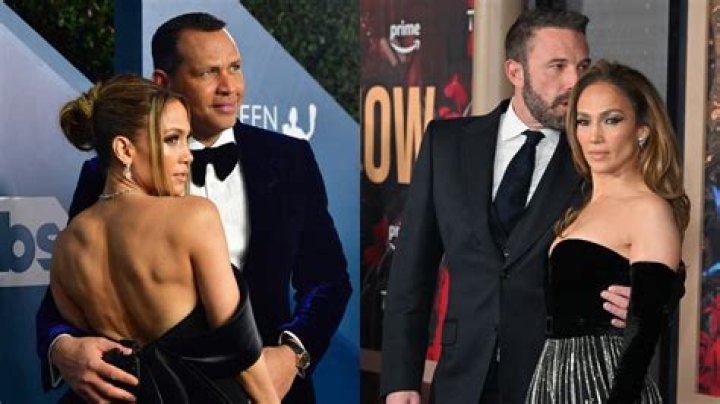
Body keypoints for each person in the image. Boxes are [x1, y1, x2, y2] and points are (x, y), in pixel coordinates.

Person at [36, 12, 351, 403]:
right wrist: (61, 348)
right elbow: (64, 303)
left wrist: (293, 353)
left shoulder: (288, 158)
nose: (229, 86)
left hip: (270, 383)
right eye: (207, 73)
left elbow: (328, 280)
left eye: (235, 68)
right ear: (162, 82)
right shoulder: (104, 174)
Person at [381, 9, 634, 404]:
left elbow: (657, 246)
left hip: (560, 383)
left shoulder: (599, 154)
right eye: (558, 66)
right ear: (515, 72)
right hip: (462, 381)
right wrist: (401, 380)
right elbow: (411, 272)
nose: (575, 81)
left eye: (582, 67)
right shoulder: (446, 145)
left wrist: (649, 294)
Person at [51, 74, 279, 403]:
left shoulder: (65, 247)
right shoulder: (194, 217)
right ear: (124, 149)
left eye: (187, 139)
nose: (188, 155)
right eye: (172, 140)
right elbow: (239, 347)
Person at [525, 60, 688, 403]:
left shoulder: (649, 209)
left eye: (612, 120)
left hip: (605, 385)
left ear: (642, 130)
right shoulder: (578, 206)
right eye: (583, 121)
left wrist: (658, 297)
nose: (594, 136)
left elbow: (642, 341)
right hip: (552, 381)